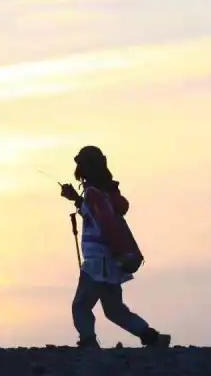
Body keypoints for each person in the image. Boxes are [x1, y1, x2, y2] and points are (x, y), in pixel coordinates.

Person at [60, 146, 170, 348]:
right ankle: (152, 337)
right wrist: (76, 199)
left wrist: (78, 200)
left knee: (81, 305)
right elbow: (97, 214)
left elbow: (102, 221)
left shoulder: (93, 194)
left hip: (96, 263)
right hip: (111, 263)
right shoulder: (106, 193)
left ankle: (88, 341)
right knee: (114, 310)